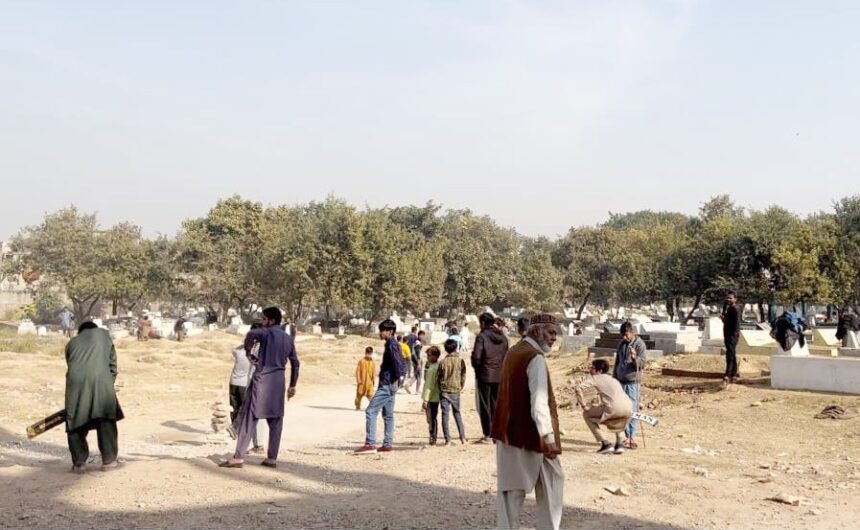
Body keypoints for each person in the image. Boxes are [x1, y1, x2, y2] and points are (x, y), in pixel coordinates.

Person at [491, 313, 563, 530]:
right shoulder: (535, 357)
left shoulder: (515, 351)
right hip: (531, 436)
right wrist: (549, 438)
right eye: (551, 332)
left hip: (508, 431)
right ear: (536, 332)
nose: (554, 338)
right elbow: (539, 402)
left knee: (511, 493)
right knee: (552, 484)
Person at [220, 307, 299, 469]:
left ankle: (238, 457)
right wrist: (292, 385)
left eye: (263, 319)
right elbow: (296, 363)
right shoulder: (288, 339)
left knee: (249, 418)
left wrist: (250, 354)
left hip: (262, 379)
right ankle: (272, 458)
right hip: (279, 382)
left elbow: (250, 335)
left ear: (270, 320)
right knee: (276, 420)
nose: (262, 322)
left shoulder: (265, 332)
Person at [64, 321, 124, 473]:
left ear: (81, 332)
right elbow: (112, 364)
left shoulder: (71, 343)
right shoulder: (104, 334)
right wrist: (107, 384)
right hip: (100, 381)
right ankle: (109, 461)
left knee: (75, 420)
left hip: (75, 384)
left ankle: (79, 464)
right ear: (94, 329)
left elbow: (71, 364)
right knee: (105, 418)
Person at [355, 319, 405, 454]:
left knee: (370, 411)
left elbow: (398, 362)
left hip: (388, 384)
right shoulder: (392, 344)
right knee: (388, 415)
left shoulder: (392, 345)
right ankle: (387, 444)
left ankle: (370, 443)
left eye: (382, 331)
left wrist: (400, 377)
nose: (380, 333)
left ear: (390, 331)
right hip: (391, 383)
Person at [575, 359, 632, 455]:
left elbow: (578, 388)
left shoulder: (596, 378)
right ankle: (620, 444)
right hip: (628, 408)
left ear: (600, 370)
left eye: (592, 368)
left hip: (613, 408)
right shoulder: (613, 379)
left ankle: (605, 443)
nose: (590, 370)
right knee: (617, 418)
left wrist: (583, 405)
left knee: (587, 415)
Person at [472, 312, 510, 445]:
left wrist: (478, 369)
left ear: (482, 323)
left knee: (485, 405)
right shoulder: (504, 338)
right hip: (499, 375)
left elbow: (477, 357)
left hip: (485, 375)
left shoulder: (481, 337)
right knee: (496, 404)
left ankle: (488, 434)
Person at [226, 323, 263, 454]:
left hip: (250, 385)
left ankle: (255, 443)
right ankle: (249, 440)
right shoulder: (253, 349)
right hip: (247, 384)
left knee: (249, 413)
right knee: (245, 412)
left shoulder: (252, 350)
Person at [613, 321, 647, 450]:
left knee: (632, 411)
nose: (624, 337)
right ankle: (625, 436)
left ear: (632, 332)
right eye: (622, 335)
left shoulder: (640, 345)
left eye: (626, 335)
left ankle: (632, 437)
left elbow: (642, 364)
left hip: (632, 383)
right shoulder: (621, 344)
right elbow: (617, 362)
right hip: (620, 382)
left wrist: (634, 358)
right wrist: (614, 379)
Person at [438, 338, 467, 445]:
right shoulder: (460, 361)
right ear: (456, 348)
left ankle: (448, 440)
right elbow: (463, 375)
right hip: (456, 390)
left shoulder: (442, 362)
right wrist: (460, 386)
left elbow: (439, 377)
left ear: (446, 349)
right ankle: (463, 438)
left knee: (445, 416)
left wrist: (440, 388)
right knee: (457, 413)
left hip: (444, 391)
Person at [421, 346, 442, 445]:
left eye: (429, 355)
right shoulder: (436, 366)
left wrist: (425, 400)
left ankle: (432, 436)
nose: (427, 357)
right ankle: (433, 436)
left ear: (435, 356)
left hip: (432, 397)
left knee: (431, 418)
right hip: (436, 396)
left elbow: (429, 385)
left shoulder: (432, 369)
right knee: (433, 417)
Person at [721, 291, 741, 384]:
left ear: (735, 299)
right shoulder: (730, 308)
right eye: (727, 298)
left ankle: (728, 375)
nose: (728, 299)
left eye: (730, 298)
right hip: (729, 334)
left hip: (732, 335)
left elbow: (735, 324)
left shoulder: (734, 309)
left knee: (730, 355)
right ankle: (734, 374)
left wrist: (724, 319)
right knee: (731, 354)